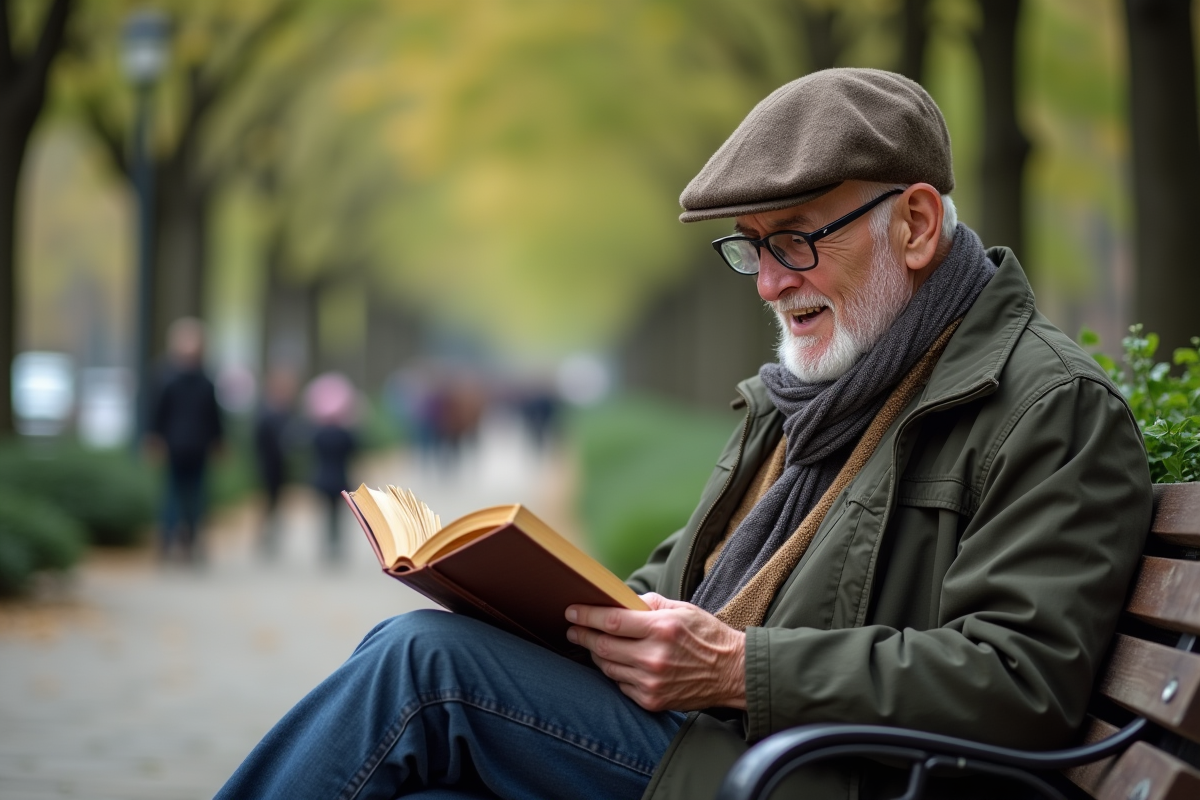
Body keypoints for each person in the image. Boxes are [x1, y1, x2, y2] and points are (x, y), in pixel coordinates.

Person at [215, 69, 1152, 800]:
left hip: (816, 775)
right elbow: (672, 592)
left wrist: (741, 670)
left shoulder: (1046, 404)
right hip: (742, 750)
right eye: (752, 247)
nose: (770, 281)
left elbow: (1021, 680)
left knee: (423, 667)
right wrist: (529, 607)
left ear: (913, 223)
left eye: (797, 238)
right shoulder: (801, 401)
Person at [148, 317, 224, 564]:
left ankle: (190, 541)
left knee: (196, 497)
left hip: (198, 447)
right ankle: (168, 541)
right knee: (172, 495)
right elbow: (157, 412)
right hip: (174, 446)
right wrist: (154, 438)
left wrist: (218, 441)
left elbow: (213, 415)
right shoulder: (167, 378)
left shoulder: (205, 381)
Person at [304, 372, 360, 563]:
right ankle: (336, 544)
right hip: (341, 479)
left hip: (322, 478)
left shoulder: (318, 434)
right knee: (337, 514)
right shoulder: (346, 434)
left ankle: (326, 544)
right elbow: (355, 450)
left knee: (325, 514)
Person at [253, 367, 298, 559]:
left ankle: (272, 532)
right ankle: (263, 533)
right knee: (267, 500)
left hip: (280, 464)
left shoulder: (286, 411)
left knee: (277, 499)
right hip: (267, 463)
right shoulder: (266, 412)